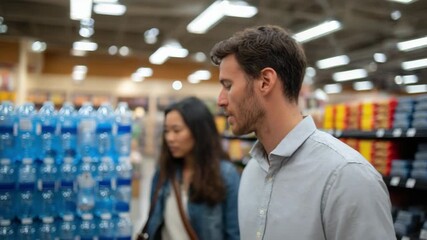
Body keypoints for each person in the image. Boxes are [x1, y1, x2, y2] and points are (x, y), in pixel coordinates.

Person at [210, 25, 396, 240]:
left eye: (228, 85)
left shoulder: (347, 177)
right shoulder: (252, 171)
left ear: (265, 81)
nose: (220, 100)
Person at [141, 96, 240, 240]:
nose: (170, 138)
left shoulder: (226, 175)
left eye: (176, 130)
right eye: (166, 131)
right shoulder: (164, 173)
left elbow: (234, 233)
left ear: (198, 131)